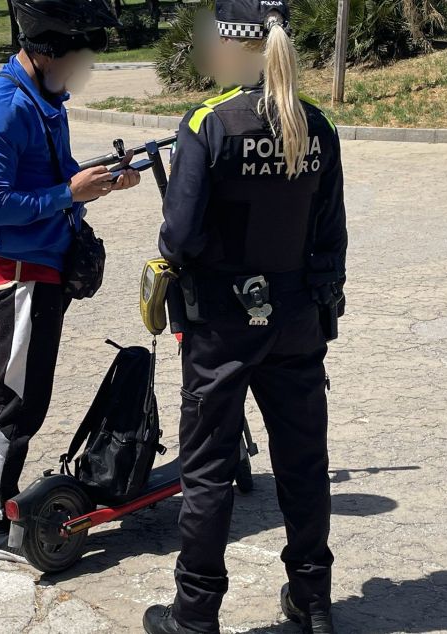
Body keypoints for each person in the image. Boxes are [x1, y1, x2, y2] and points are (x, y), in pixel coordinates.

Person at [142, 0, 347, 631]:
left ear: (231, 46)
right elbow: (330, 234)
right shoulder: (317, 125)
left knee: (208, 468)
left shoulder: (208, 122)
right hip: (297, 317)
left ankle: (195, 614)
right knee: (303, 462)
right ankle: (313, 601)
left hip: (221, 323)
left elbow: (179, 236)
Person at [0, 0, 140, 563]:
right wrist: (69, 193)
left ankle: (2, 505)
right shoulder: (3, 109)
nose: (79, 74)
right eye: (75, 61)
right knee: (18, 403)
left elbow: (50, 174)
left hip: (44, 273)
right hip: (18, 279)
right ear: (44, 51)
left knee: (29, 397)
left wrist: (98, 180)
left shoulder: (44, 100)